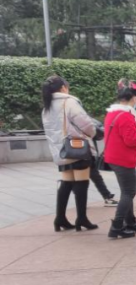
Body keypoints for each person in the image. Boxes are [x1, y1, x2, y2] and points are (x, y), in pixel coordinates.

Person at [40, 75, 99, 232]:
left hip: (62, 150)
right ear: (63, 88)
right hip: (77, 147)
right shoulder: (69, 102)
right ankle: (82, 218)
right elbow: (85, 123)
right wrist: (93, 133)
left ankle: (60, 218)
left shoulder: (47, 106)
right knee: (82, 182)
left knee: (67, 183)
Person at [103, 79, 136, 239]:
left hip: (114, 157)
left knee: (126, 191)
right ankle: (117, 226)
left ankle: (130, 222)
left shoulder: (112, 113)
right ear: (134, 98)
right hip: (123, 159)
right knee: (129, 192)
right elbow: (131, 140)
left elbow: (124, 135)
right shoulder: (126, 116)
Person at [89, 119, 118, 207]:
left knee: (77, 181)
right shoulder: (78, 117)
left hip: (75, 152)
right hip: (84, 152)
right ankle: (107, 196)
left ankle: (107, 196)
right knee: (94, 177)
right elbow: (97, 131)